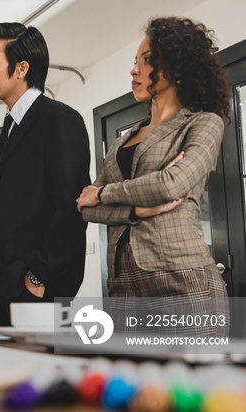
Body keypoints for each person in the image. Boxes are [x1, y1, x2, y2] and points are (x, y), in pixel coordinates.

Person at [77, 17, 231, 337]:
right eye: (136, 62)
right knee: (137, 384)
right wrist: (136, 210)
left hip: (181, 277)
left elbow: (171, 184)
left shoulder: (204, 123)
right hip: (123, 284)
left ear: (175, 66)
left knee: (190, 384)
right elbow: (85, 207)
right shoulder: (122, 140)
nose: (134, 70)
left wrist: (105, 194)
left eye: (147, 61)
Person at [0, 23, 91, 327]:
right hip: (2, 283)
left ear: (21, 68)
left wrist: (37, 275)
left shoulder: (60, 120)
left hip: (38, 287)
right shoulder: (2, 134)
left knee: (41, 373)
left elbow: (72, 208)